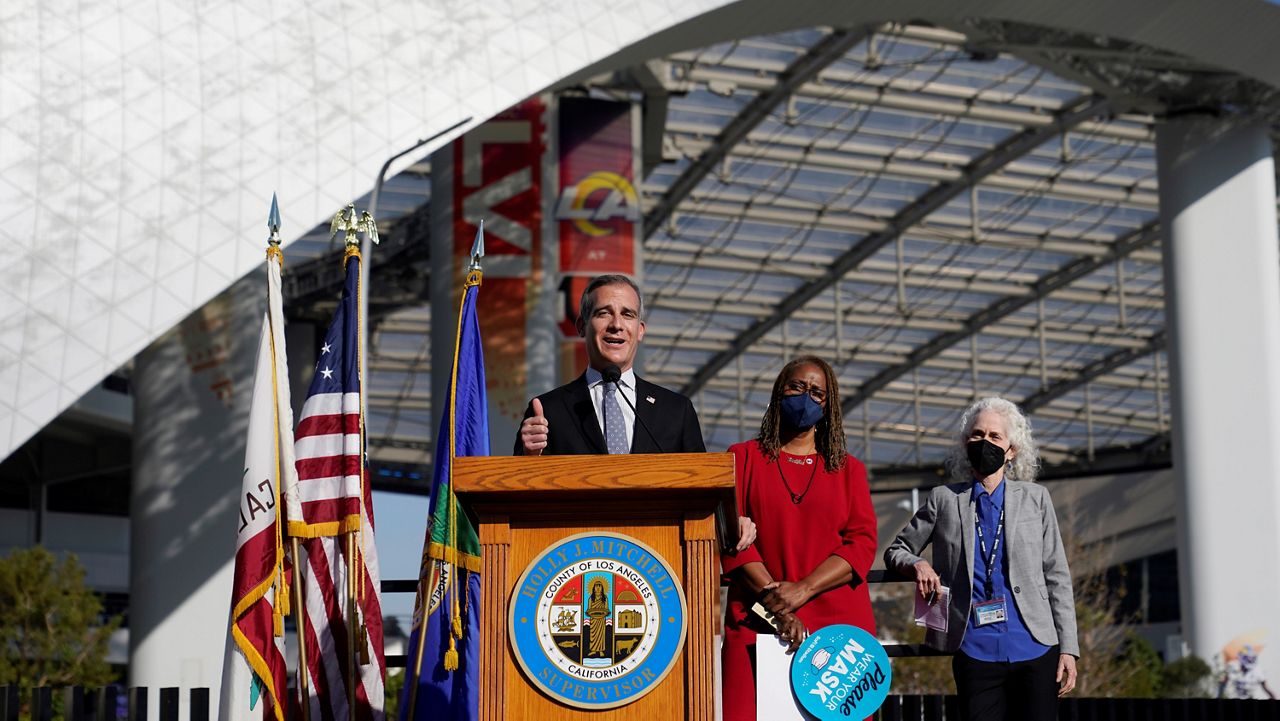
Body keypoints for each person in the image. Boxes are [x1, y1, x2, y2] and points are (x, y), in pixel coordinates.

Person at [514, 274, 755, 549]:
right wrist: (530, 458)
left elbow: (702, 495)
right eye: (604, 313)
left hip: (657, 565)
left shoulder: (675, 410)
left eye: (627, 314)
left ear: (640, 330)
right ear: (582, 325)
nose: (616, 325)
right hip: (575, 560)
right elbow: (519, 500)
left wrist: (730, 522)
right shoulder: (548, 410)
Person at [884, 397, 1079, 721]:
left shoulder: (1036, 499)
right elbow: (896, 550)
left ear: (1011, 449)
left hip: (1036, 646)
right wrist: (918, 564)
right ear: (965, 443)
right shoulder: (944, 499)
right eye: (977, 435)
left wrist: (1069, 648)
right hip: (973, 648)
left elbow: (1056, 574)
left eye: (994, 436)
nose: (984, 442)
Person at [720, 356, 878, 721]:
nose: (806, 397)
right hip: (757, 621)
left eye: (817, 392)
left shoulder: (848, 470)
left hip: (838, 636)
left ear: (829, 405)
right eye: (797, 387)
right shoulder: (741, 459)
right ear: (779, 392)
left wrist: (803, 589)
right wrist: (779, 604)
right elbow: (731, 538)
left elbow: (862, 543)